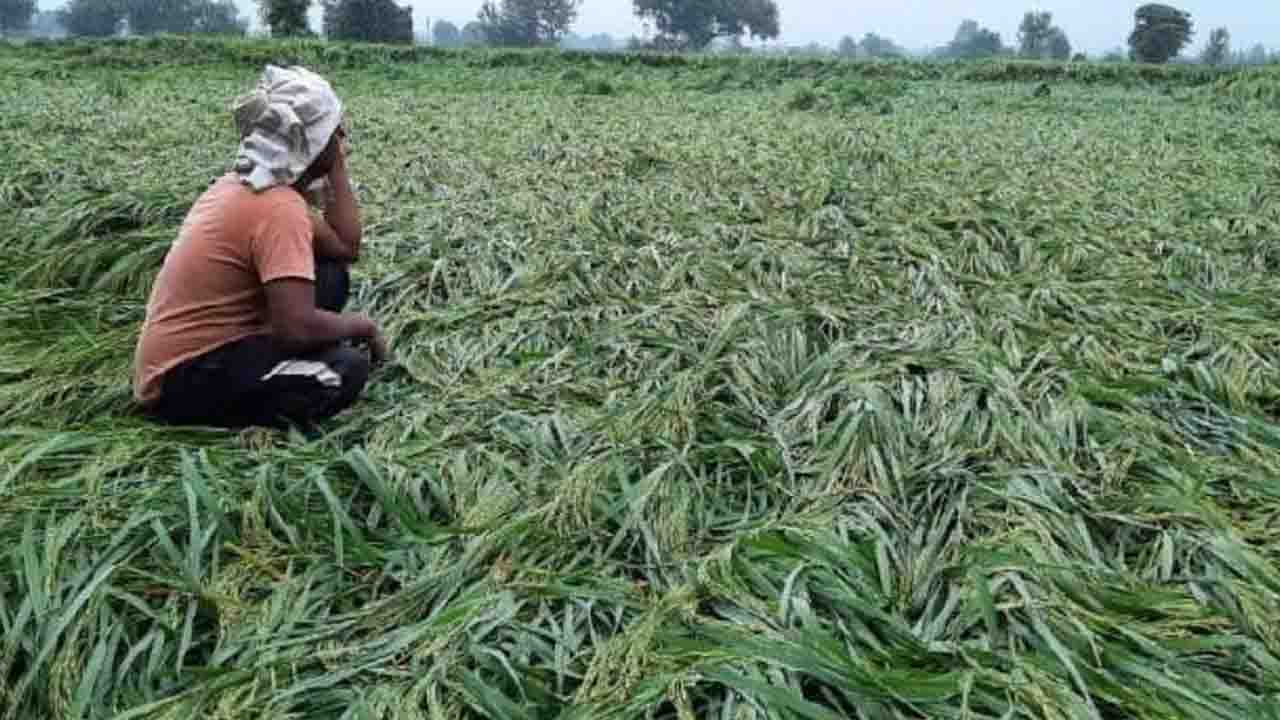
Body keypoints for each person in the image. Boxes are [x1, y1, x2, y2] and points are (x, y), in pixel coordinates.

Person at [132, 65, 388, 430]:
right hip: (184, 378)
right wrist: (362, 327)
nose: (342, 135)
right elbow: (294, 328)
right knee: (344, 371)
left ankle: (268, 365)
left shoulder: (250, 185)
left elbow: (345, 246)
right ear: (315, 141)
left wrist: (337, 164)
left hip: (199, 352)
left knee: (330, 277)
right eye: (335, 130)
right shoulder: (279, 208)